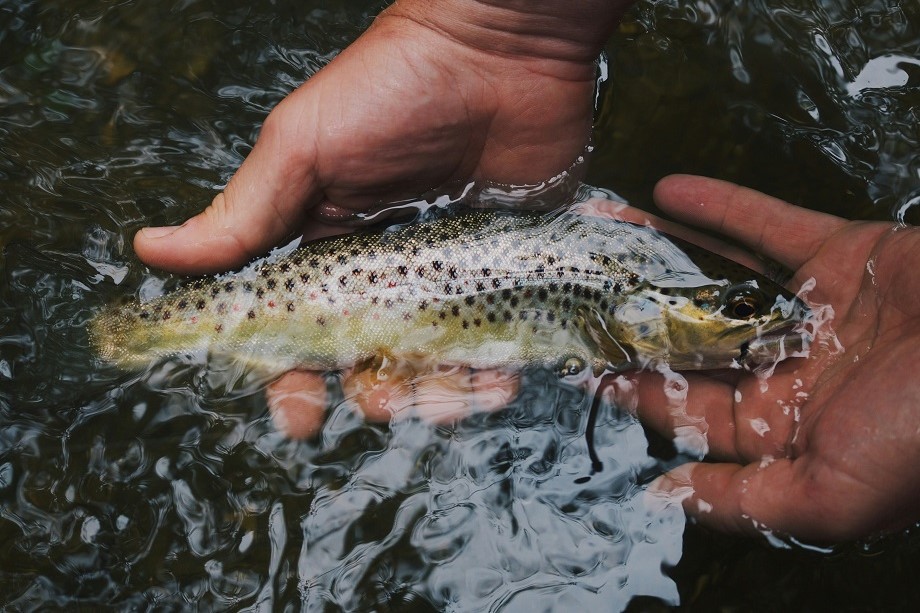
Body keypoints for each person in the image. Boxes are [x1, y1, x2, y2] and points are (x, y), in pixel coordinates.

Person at [132, 0, 920, 543]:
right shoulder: (626, 294)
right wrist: (490, 31)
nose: (764, 320)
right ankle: (140, 338)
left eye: (741, 312)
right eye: (738, 309)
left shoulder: (624, 294)